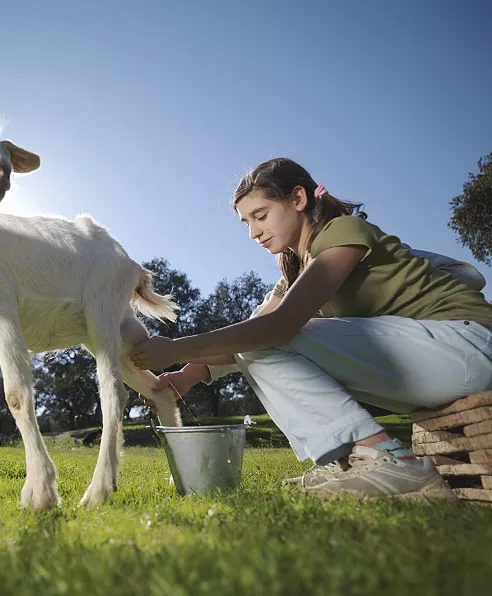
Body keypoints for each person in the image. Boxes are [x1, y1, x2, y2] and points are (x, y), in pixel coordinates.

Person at [129, 157, 492, 501]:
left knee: (270, 334)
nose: (254, 232)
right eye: (246, 223)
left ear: (298, 198)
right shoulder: (297, 274)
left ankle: (385, 458)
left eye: (261, 215)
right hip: (430, 366)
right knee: (260, 337)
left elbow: (278, 328)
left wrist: (176, 347)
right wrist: (188, 375)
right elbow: (255, 337)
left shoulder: (344, 232)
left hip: (469, 346)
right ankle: (358, 460)